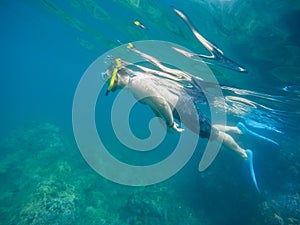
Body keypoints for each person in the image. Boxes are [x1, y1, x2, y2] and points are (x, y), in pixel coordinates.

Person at [103, 43, 262, 191]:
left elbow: (162, 103)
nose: (114, 86)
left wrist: (170, 123)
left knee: (212, 135)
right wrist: (162, 120)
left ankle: (244, 154)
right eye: (111, 85)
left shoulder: (137, 84)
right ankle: (238, 129)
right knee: (206, 129)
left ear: (119, 75)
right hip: (180, 108)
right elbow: (154, 104)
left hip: (181, 107)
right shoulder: (133, 87)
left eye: (112, 82)